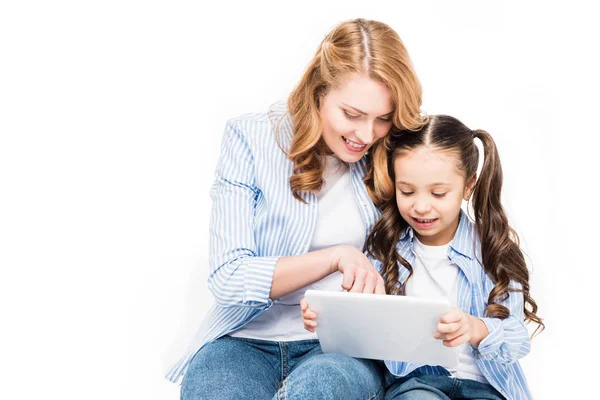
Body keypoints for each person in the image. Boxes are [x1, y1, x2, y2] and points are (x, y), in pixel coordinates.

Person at [165, 18, 424, 399]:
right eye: (351, 114)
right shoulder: (251, 139)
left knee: (318, 390)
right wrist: (337, 257)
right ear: (318, 91)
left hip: (340, 347)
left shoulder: (393, 154)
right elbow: (228, 276)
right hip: (244, 339)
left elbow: (423, 253)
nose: (366, 135)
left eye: (382, 119)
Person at [301, 115, 544, 399]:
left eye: (438, 193)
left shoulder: (492, 248)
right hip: (417, 385)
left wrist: (475, 328)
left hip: (486, 388)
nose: (421, 206)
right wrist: (330, 318)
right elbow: (366, 321)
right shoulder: (386, 247)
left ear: (468, 186)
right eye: (407, 191)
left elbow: (517, 339)